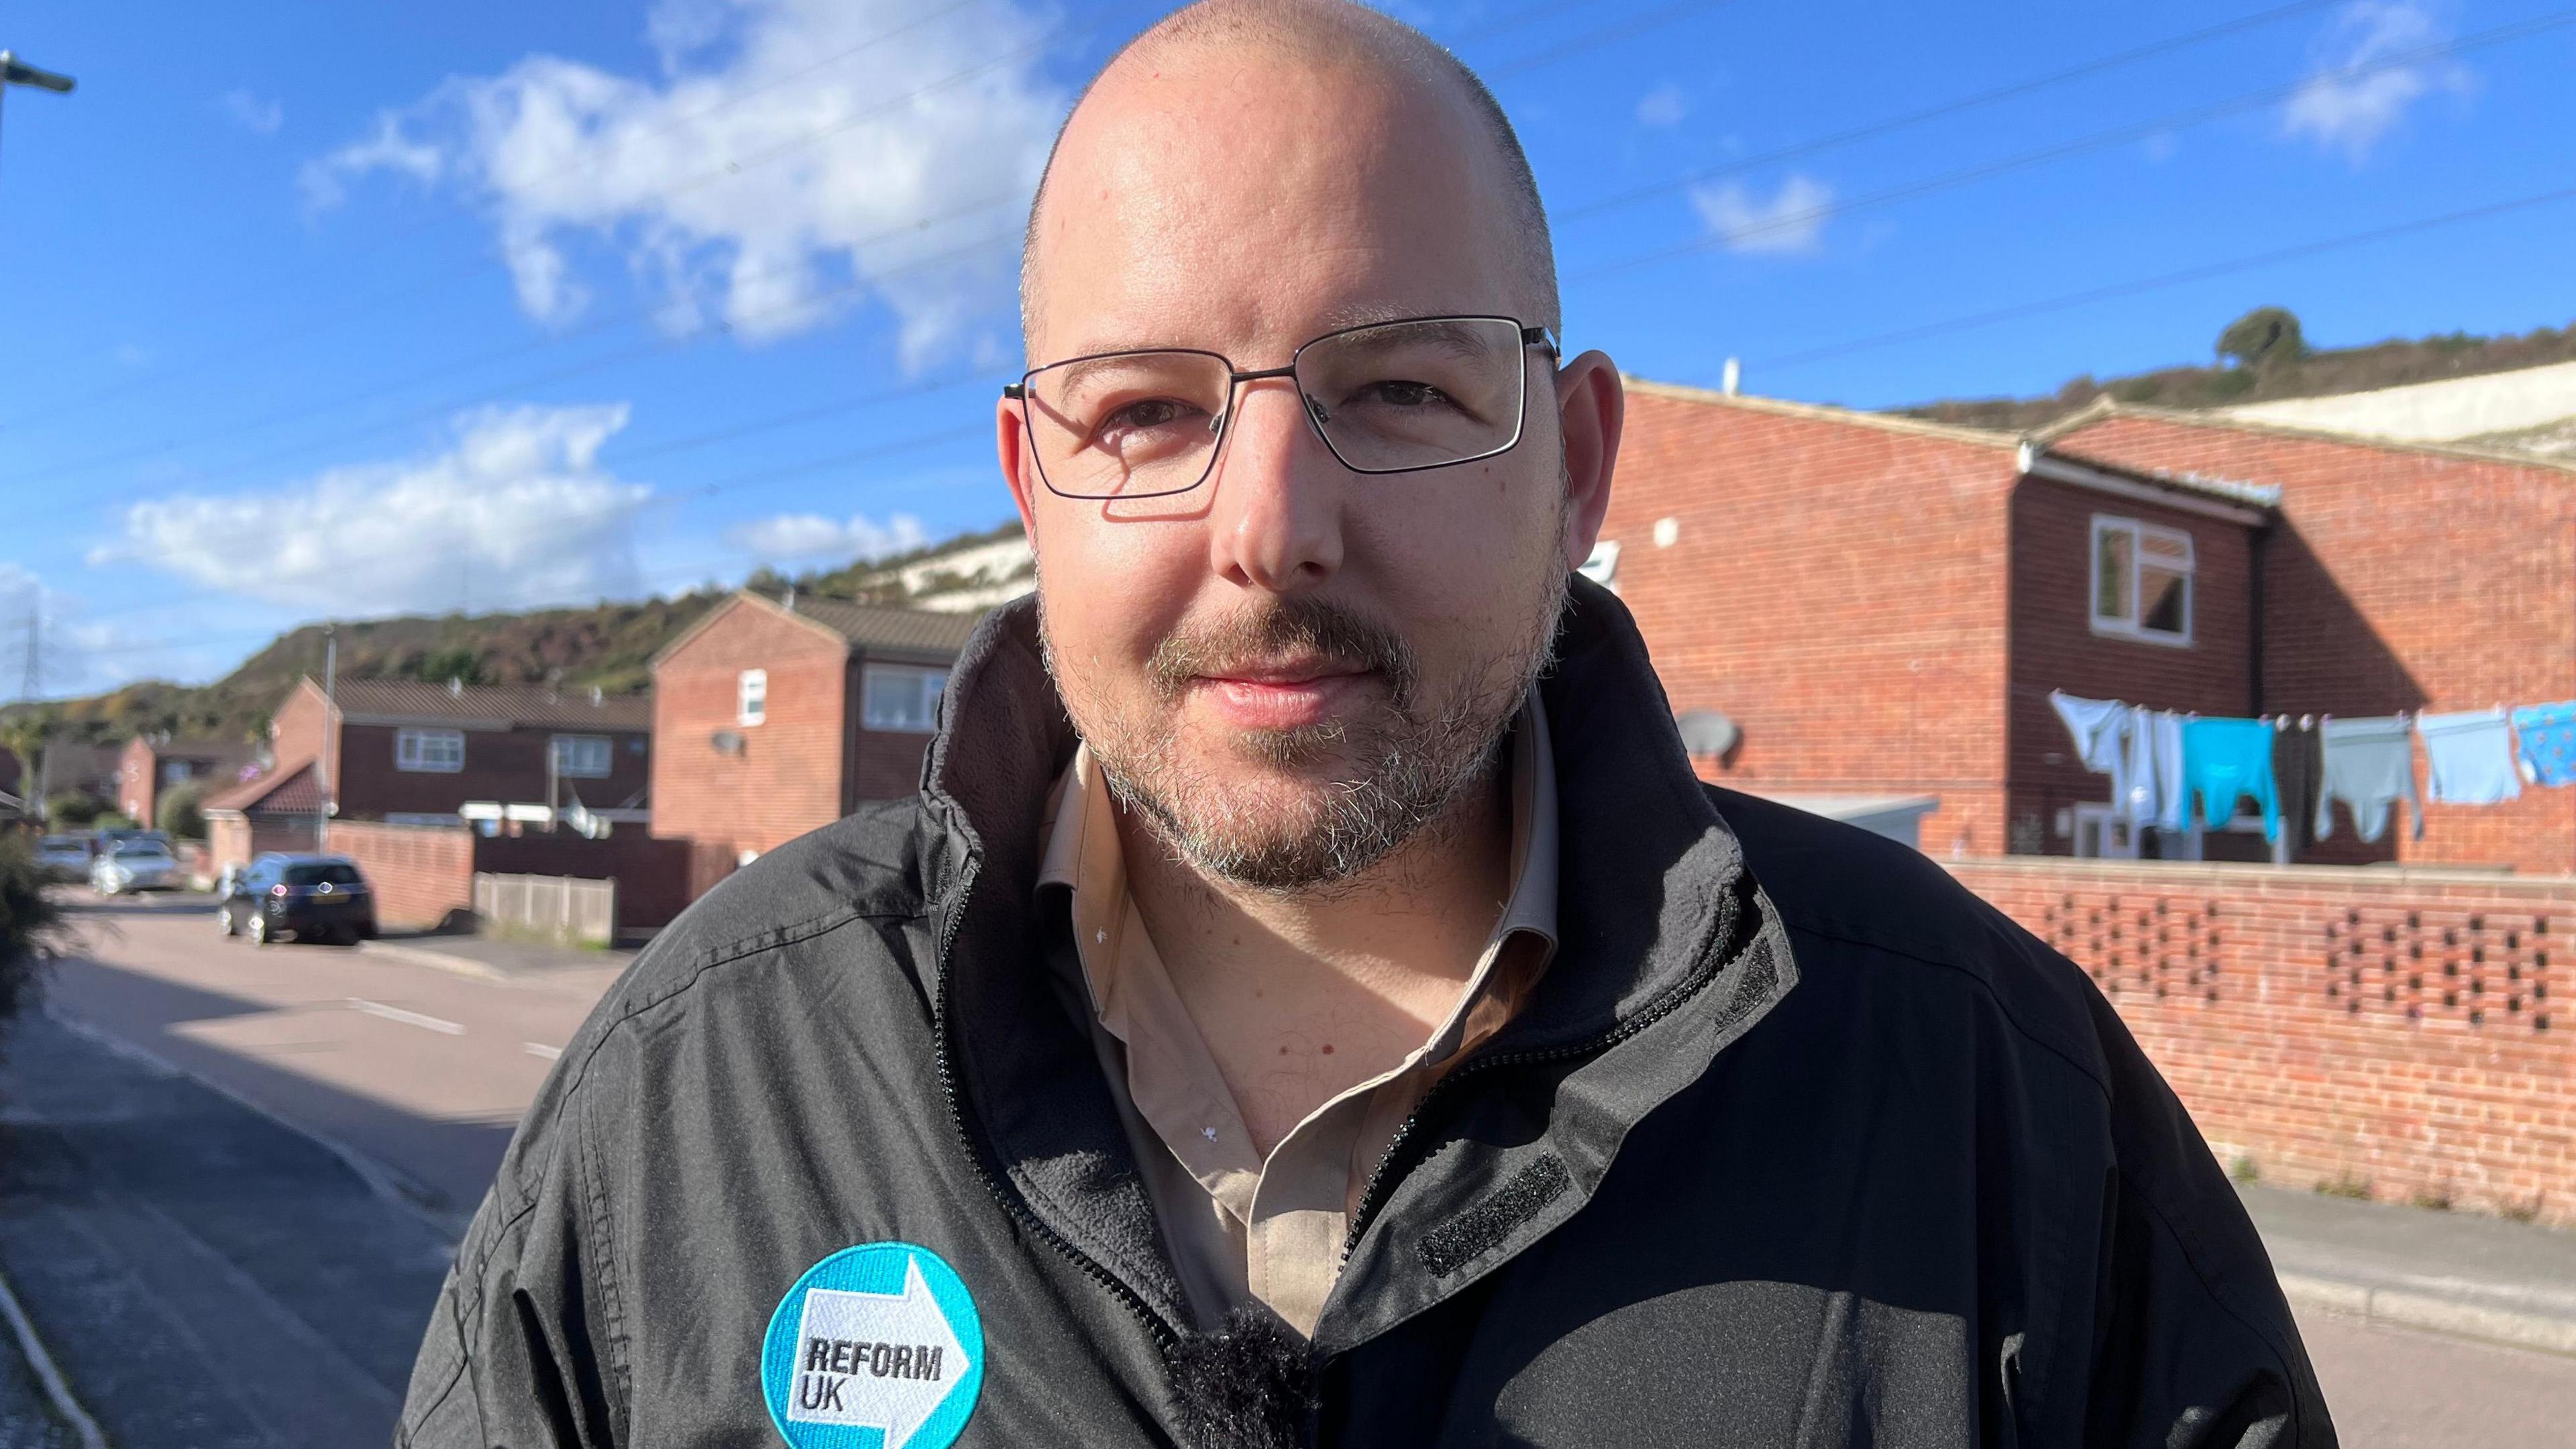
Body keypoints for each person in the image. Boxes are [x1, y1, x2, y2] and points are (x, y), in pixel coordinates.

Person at [399, 3, 2332, 1446]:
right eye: (1146, 409)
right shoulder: (711, 1078)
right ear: (1029, 484)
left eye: (1400, 390)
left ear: (1576, 467)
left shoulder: (1989, 1098)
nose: (1270, 528)